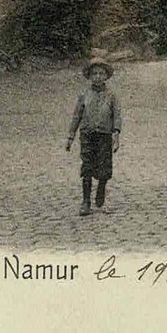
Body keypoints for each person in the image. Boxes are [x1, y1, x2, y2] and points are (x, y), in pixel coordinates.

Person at [66, 57, 122, 215]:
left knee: (104, 166)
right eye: (94, 73)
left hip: (104, 135)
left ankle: (101, 191)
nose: (98, 76)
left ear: (106, 76)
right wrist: (71, 136)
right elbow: (76, 115)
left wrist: (116, 134)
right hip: (87, 135)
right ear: (89, 76)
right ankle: (85, 201)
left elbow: (116, 115)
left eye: (101, 73)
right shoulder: (84, 94)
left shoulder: (111, 96)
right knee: (87, 166)